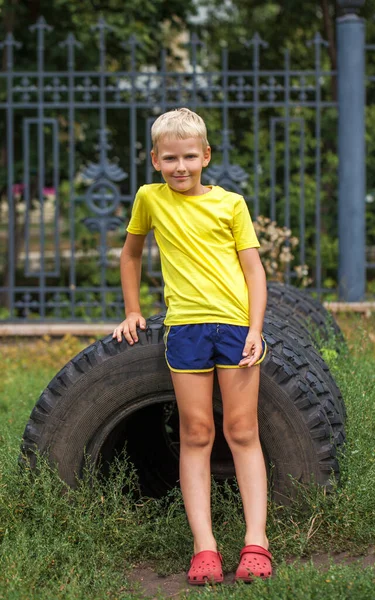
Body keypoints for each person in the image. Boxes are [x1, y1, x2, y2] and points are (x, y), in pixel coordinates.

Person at [112, 108, 272, 584]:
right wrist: (132, 309)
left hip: (234, 327)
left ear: (205, 156)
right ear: (155, 161)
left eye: (188, 157)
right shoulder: (150, 199)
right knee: (198, 433)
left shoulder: (231, 204)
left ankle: (256, 542)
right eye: (169, 159)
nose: (180, 167)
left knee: (242, 431)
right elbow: (131, 253)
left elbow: (253, 271)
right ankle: (205, 548)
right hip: (185, 330)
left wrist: (255, 328)